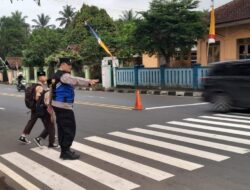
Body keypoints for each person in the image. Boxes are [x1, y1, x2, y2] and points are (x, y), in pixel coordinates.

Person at [51, 57, 98, 160]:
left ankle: (64, 151)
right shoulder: (64, 75)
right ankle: (66, 152)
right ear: (62, 65)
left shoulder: (55, 75)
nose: (70, 66)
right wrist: (89, 81)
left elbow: (52, 89)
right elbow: (75, 80)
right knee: (69, 129)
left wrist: (50, 105)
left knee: (62, 129)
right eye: (69, 64)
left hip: (56, 105)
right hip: (64, 106)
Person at [18, 71, 58, 148]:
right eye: (44, 76)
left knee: (32, 122)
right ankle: (48, 141)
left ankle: (23, 136)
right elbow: (38, 98)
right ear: (40, 78)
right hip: (41, 109)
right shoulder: (39, 87)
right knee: (50, 124)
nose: (45, 77)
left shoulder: (35, 85)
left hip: (35, 108)